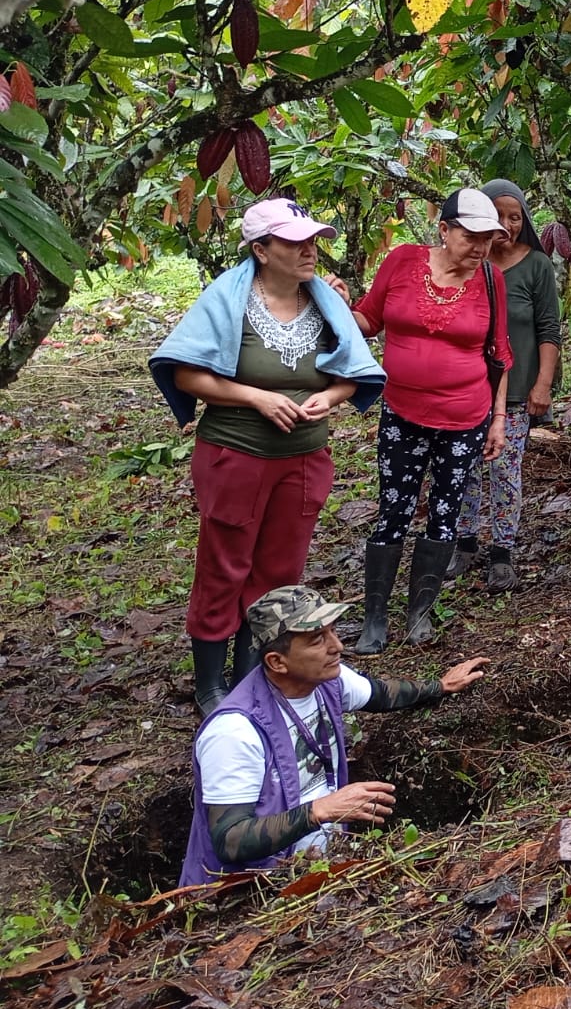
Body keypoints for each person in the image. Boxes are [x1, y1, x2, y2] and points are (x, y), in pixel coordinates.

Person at [150, 198, 385, 714]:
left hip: (303, 459)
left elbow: (352, 373)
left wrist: (331, 397)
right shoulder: (227, 299)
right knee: (224, 568)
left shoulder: (325, 302)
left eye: (313, 241)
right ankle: (210, 687)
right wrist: (255, 397)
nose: (309, 251)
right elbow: (186, 374)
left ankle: (251, 679)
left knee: (278, 572)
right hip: (236, 455)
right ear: (261, 250)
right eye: (294, 242)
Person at [179, 585, 489, 886]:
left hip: (318, 866)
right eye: (317, 639)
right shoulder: (235, 732)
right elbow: (231, 840)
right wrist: (320, 810)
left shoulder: (328, 681)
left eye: (333, 631)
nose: (337, 646)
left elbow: (380, 693)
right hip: (251, 892)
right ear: (277, 662)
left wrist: (440, 686)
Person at [342, 188, 513, 653]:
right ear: (444, 230)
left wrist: (498, 419)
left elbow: (500, 354)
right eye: (470, 236)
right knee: (393, 510)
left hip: (464, 417)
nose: (479, 247)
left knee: (445, 510)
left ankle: (420, 612)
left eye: (487, 238)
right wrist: (337, 305)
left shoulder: (492, 280)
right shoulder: (402, 261)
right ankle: (375, 617)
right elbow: (368, 319)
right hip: (403, 412)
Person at [450, 179, 563, 592]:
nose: (507, 225)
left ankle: (502, 553)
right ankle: (464, 543)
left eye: (515, 217)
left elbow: (548, 329)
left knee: (505, 470)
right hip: (466, 387)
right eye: (498, 216)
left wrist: (542, 385)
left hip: (515, 391)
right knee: (464, 468)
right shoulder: (468, 262)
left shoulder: (536, 266)